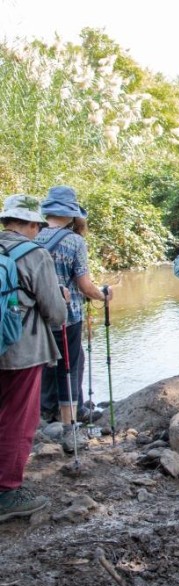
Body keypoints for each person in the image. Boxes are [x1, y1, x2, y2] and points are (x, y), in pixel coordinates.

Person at [0, 194, 67, 522]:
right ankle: (7, 492)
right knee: (18, 419)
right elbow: (55, 314)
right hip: (21, 352)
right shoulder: (35, 254)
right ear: (30, 224)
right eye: (36, 225)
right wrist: (63, 299)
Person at [35, 186, 112, 436]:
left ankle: (46, 413)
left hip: (36, 316)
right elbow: (84, 284)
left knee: (46, 363)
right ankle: (70, 418)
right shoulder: (74, 241)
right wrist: (103, 295)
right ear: (71, 214)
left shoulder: (32, 235)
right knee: (71, 363)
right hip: (69, 314)